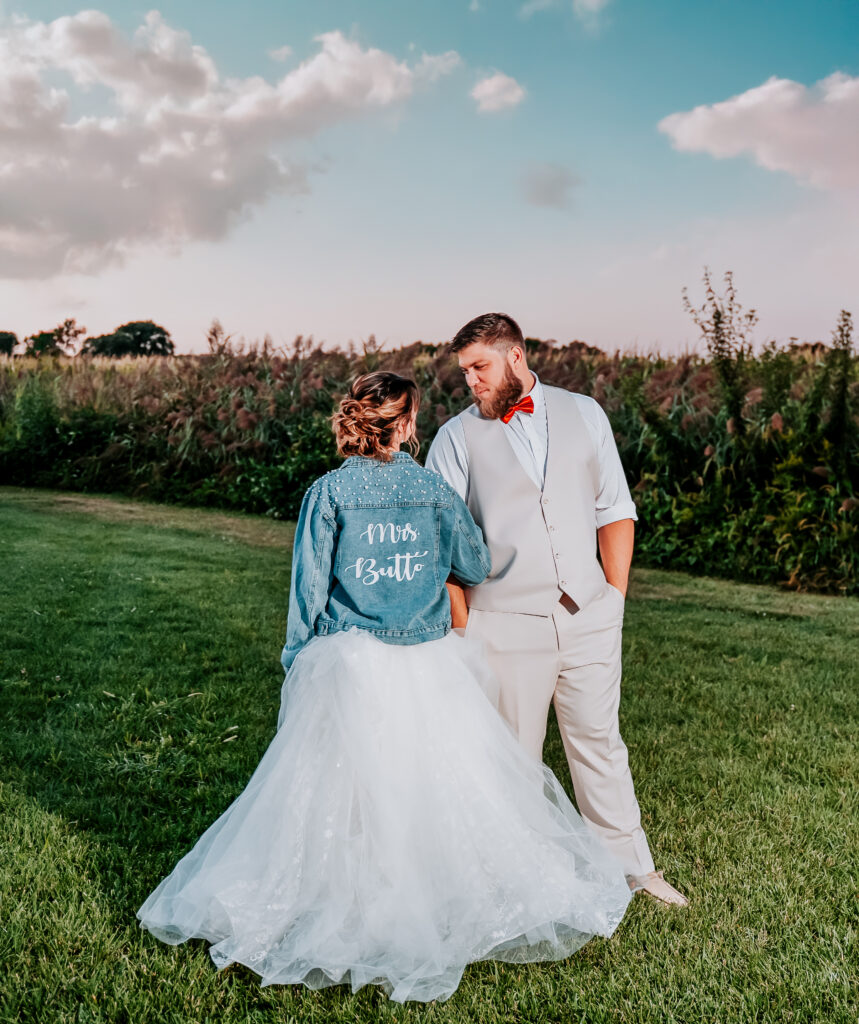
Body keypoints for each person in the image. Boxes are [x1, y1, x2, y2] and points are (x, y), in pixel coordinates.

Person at [137, 371, 632, 1004]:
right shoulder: (430, 491)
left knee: (337, 789)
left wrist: (297, 659)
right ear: (406, 426)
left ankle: (342, 897)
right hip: (426, 662)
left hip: (349, 660)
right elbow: (476, 563)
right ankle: (429, 895)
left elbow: (307, 592)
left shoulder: (328, 493)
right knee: (430, 782)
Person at [426, 314, 688, 907]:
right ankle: (507, 881)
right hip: (502, 622)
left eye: (480, 367)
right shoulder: (454, 439)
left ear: (515, 356)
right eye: (464, 371)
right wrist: (465, 632)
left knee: (600, 741)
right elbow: (439, 548)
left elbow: (614, 507)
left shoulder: (584, 412)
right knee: (512, 755)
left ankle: (633, 870)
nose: (470, 382)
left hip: (590, 614)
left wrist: (613, 600)